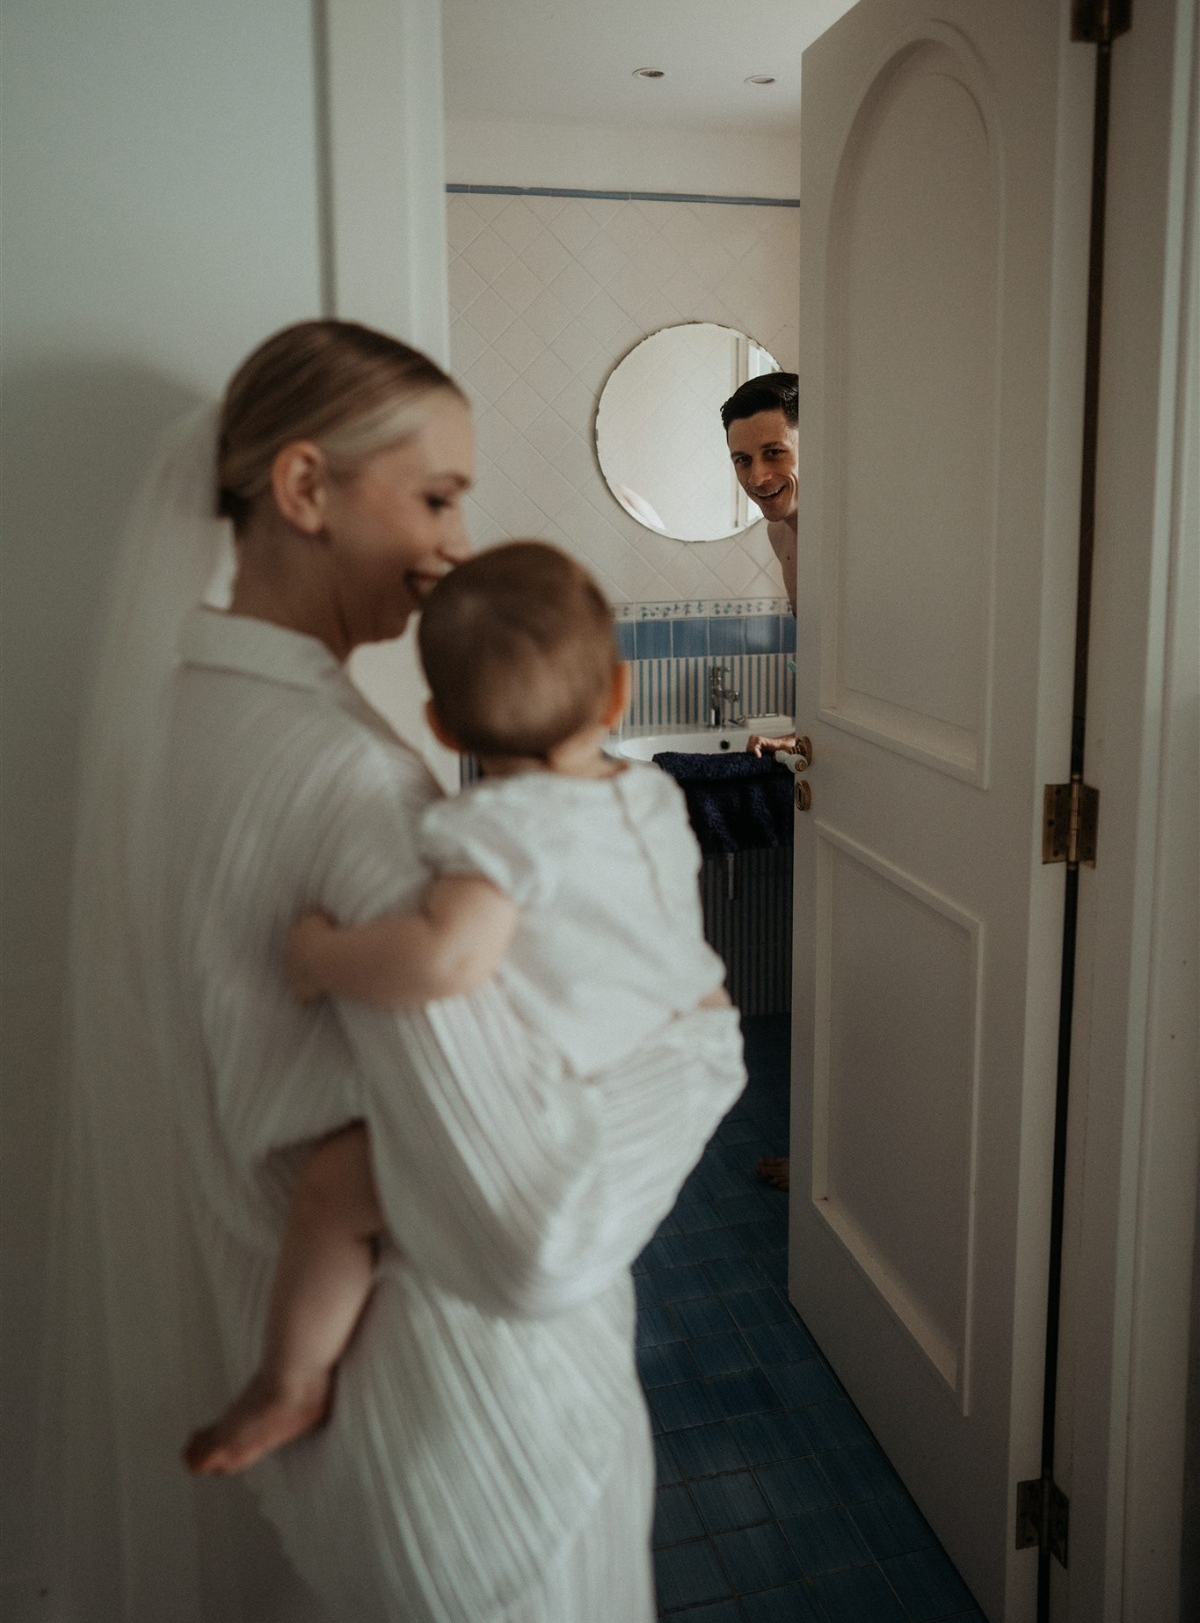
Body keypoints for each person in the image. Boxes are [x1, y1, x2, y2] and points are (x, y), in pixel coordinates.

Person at [47, 319, 746, 1623]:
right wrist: (705, 1054)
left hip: (340, 1381)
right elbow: (530, 1237)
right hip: (479, 1428)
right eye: (436, 495)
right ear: (307, 489)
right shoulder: (359, 791)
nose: (457, 545)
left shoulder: (175, 717)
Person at [185, 540, 731, 1477]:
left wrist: (321, 957)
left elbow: (445, 958)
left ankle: (291, 1381)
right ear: (618, 695)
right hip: (688, 1071)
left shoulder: (503, 829)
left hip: (572, 1140)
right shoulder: (652, 798)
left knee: (329, 1193)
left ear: (439, 725)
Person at [722, 369, 801, 1191]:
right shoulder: (784, 534)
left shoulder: (857, 528)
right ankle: (828, 1155)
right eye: (741, 462)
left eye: (773, 452)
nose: (756, 479)